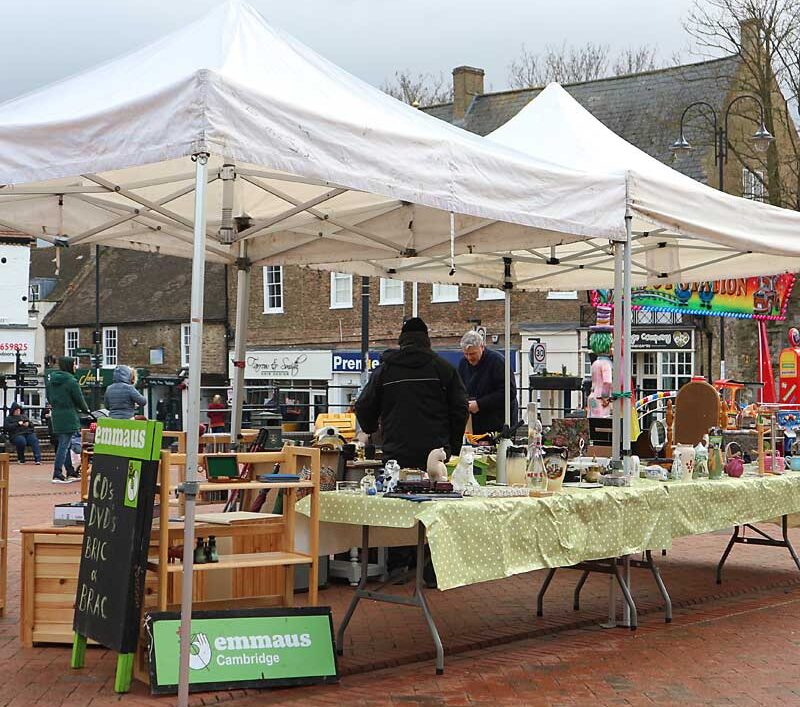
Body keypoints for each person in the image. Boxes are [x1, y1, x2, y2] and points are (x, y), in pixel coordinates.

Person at [356, 317, 468, 469]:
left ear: (402, 340)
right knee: (436, 489)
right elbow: (460, 408)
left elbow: (364, 405)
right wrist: (453, 446)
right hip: (435, 454)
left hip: (396, 452)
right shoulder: (444, 369)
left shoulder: (384, 371)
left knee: (395, 489)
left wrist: (371, 428)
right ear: (426, 340)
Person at [458, 330, 518, 435]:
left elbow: (509, 392)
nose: (469, 358)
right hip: (476, 424)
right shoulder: (463, 364)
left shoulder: (497, 362)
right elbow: (460, 388)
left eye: (473, 353)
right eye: (466, 354)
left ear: (482, 347)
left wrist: (480, 404)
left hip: (499, 423)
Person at [46, 356, 90, 483]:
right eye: (74, 365)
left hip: (57, 414)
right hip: (69, 415)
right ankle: (57, 473)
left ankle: (70, 471)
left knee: (65, 444)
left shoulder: (51, 381)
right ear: (69, 366)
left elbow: (49, 398)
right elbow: (79, 398)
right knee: (64, 445)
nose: (75, 367)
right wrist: (86, 409)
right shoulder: (71, 381)